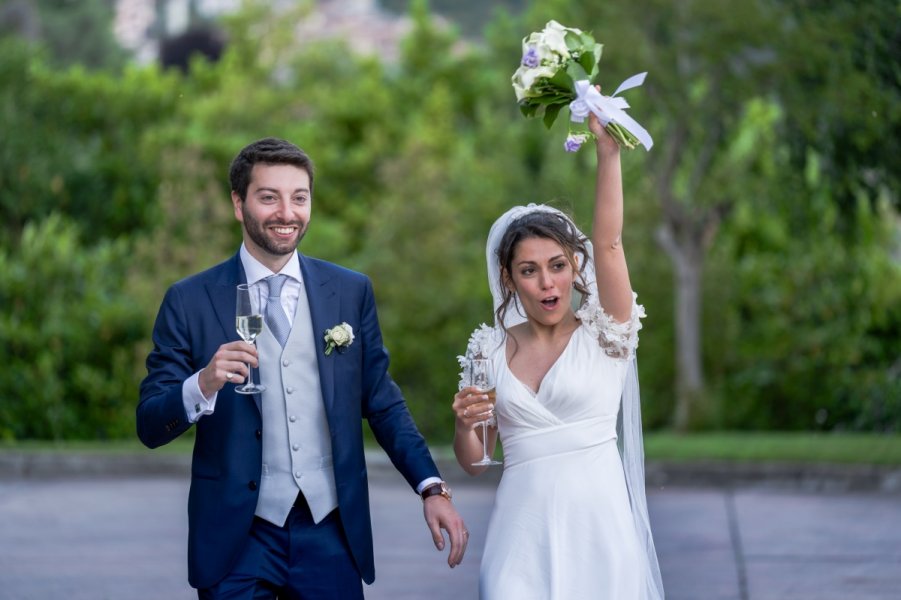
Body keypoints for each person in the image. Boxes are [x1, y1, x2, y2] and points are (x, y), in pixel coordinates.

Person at [138, 137, 468, 599]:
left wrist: (432, 488)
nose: (286, 213)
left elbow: (384, 402)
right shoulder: (189, 300)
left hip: (329, 532)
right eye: (269, 197)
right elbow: (150, 423)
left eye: (299, 197)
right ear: (239, 203)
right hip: (237, 538)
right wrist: (203, 383)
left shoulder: (350, 291)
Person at [452, 112, 665, 598]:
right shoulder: (488, 347)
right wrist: (465, 426)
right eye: (529, 270)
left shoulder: (606, 334)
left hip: (599, 532)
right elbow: (476, 461)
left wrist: (608, 154)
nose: (547, 283)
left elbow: (609, 243)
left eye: (557, 266)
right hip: (519, 539)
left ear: (575, 267)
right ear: (508, 279)